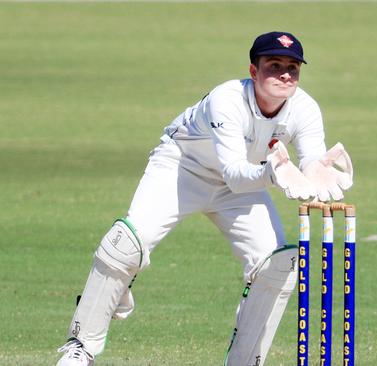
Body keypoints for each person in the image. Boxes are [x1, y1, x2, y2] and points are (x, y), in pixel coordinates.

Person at [56, 31, 353, 366]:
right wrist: (273, 174)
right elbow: (234, 173)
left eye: (292, 68)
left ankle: (245, 362)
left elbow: (310, 157)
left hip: (243, 184)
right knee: (124, 244)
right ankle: (81, 348)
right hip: (182, 168)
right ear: (253, 71)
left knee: (278, 265)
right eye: (274, 65)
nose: (285, 74)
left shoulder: (305, 108)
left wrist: (317, 170)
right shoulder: (227, 98)